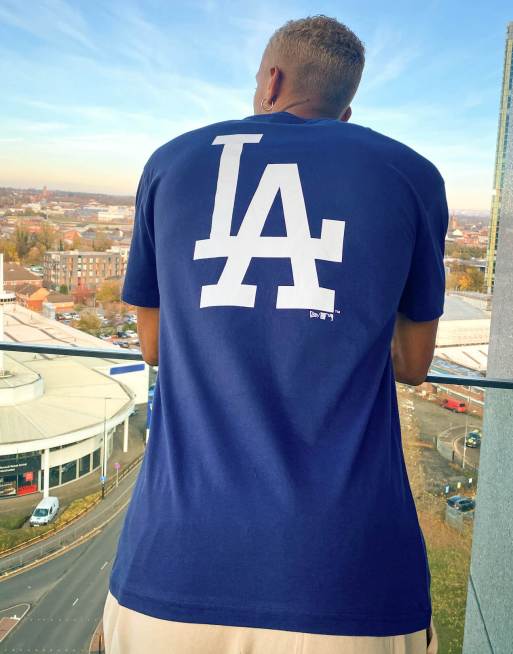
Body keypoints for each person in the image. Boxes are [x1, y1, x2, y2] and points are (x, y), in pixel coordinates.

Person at [103, 14, 444, 654]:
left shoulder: (171, 162)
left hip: (172, 562)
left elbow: (154, 347)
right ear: (347, 109)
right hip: (349, 579)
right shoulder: (410, 173)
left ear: (272, 80)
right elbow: (414, 362)